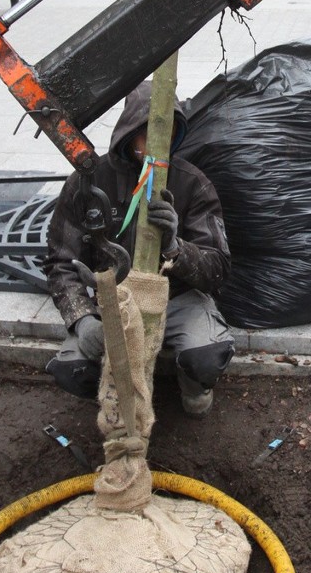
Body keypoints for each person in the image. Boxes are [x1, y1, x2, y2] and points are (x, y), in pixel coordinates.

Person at [44, 82, 234, 417]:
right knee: (74, 371)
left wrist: (176, 247)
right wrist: (82, 318)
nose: (156, 142)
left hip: (178, 299)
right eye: (146, 132)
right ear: (129, 132)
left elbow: (218, 270)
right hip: (113, 301)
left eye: (167, 132)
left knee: (206, 358)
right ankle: (116, 393)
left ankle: (191, 387)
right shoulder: (88, 181)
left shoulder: (192, 183)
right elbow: (61, 262)